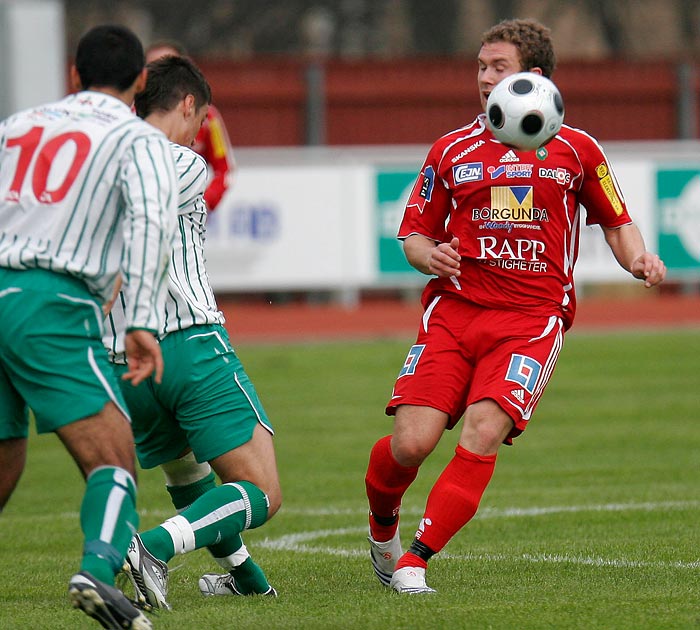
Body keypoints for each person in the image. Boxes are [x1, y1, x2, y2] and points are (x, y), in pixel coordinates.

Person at [364, 17, 667, 595]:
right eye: (480, 66)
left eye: (497, 67)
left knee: (480, 430)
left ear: (534, 79)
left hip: (531, 323)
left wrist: (639, 260)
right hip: (454, 316)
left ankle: (417, 561)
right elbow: (413, 236)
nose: (483, 78)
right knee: (412, 443)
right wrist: (429, 257)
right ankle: (383, 531)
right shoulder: (451, 149)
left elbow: (617, 221)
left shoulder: (579, 149)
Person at [0, 24, 178, 629]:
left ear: (73, 75)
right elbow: (153, 224)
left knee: (5, 459)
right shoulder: (137, 139)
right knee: (114, 459)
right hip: (46, 304)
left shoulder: (18, 125)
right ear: (142, 82)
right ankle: (98, 574)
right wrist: (144, 322)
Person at [103, 54, 281, 611]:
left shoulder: (101, 162)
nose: (200, 128)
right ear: (186, 105)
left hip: (122, 359)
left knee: (189, 471)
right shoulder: (181, 161)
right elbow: (148, 215)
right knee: (261, 493)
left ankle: (245, 576)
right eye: (200, 116)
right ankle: (151, 548)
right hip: (186, 339)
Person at [145, 39, 235, 211]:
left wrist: (200, 203)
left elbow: (224, 170)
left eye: (169, 68)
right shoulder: (130, 116)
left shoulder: (208, 117)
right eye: (153, 67)